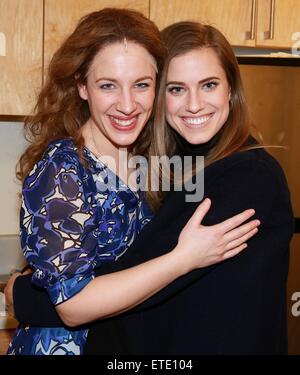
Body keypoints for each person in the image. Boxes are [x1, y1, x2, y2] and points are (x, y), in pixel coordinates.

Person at [4, 11, 259, 356]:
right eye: (107, 85)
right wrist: (183, 258)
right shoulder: (63, 169)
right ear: (81, 86)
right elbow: (73, 305)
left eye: (141, 84)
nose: (127, 105)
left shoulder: (154, 160)